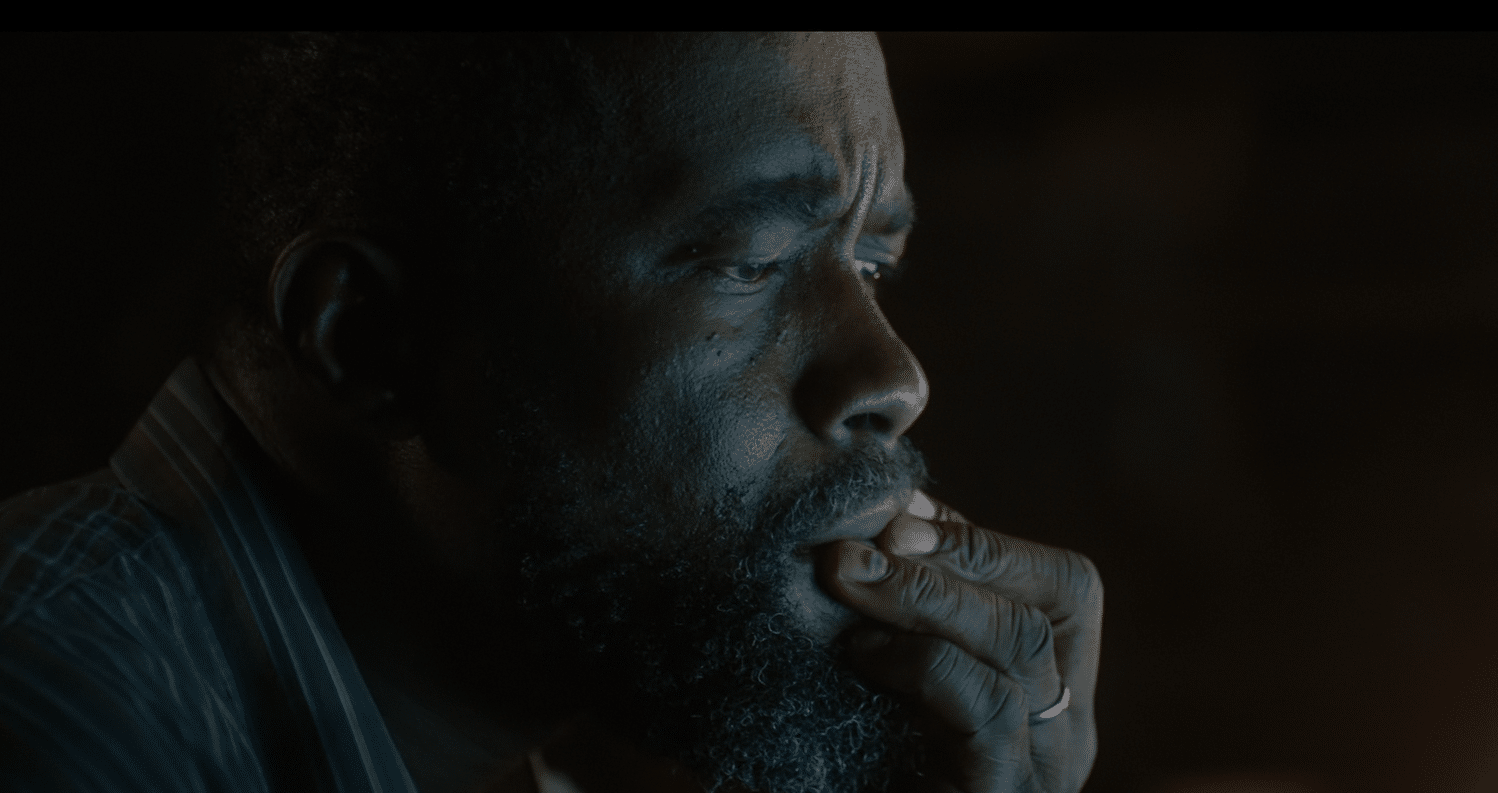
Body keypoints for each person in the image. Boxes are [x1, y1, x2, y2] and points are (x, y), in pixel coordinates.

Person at [0, 32, 1102, 793]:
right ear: (369, 340)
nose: (894, 379)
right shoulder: (59, 722)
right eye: (751, 260)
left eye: (872, 264)